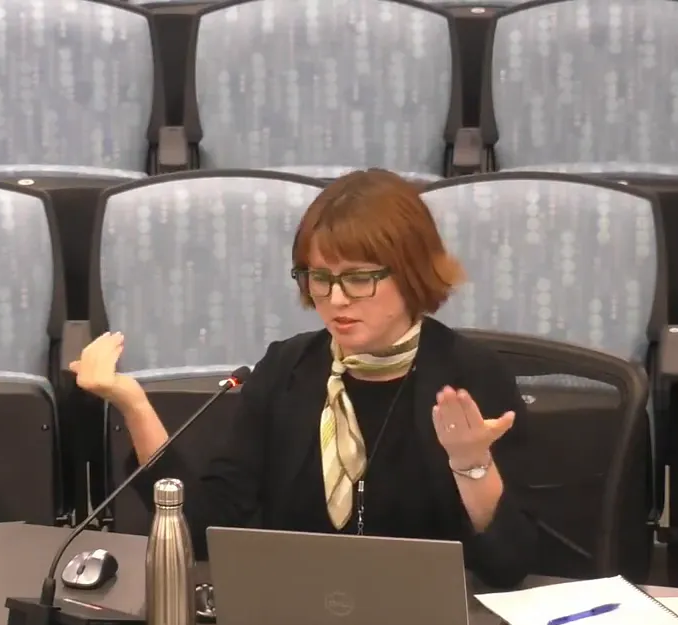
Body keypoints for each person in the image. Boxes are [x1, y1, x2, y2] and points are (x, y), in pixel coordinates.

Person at [70, 169, 538, 589]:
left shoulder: (470, 376)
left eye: (358, 279)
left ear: (411, 272)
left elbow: (509, 565)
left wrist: (471, 464)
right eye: (319, 278)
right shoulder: (288, 369)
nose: (335, 300)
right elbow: (204, 530)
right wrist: (134, 405)